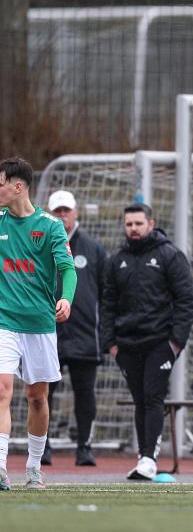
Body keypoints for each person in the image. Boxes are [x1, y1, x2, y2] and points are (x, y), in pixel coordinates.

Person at [101, 203, 193, 481]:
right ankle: (144, 457)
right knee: (140, 400)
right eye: (129, 224)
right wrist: (111, 344)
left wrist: (176, 342)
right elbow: (107, 303)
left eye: (138, 224)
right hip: (127, 344)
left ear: (151, 224)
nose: (133, 229)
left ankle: (148, 459)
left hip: (160, 343)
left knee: (153, 397)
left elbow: (186, 300)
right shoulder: (116, 260)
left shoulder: (170, 256)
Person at [0, 157, 76, 490]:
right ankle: (0, 468)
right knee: (2, 389)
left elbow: (68, 269)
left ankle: (33, 468)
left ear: (18, 186)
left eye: (0, 182)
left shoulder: (49, 226)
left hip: (41, 325)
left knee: (37, 397)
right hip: (4, 320)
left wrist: (66, 298)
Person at [42, 190, 107, 467]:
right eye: (57, 211)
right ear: (49, 213)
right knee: (42, 393)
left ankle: (84, 447)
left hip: (84, 335)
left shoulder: (93, 249)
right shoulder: (39, 245)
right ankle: (42, 447)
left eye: (66, 210)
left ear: (76, 212)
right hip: (46, 333)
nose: (62, 215)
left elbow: (106, 292)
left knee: (85, 395)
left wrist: (104, 331)